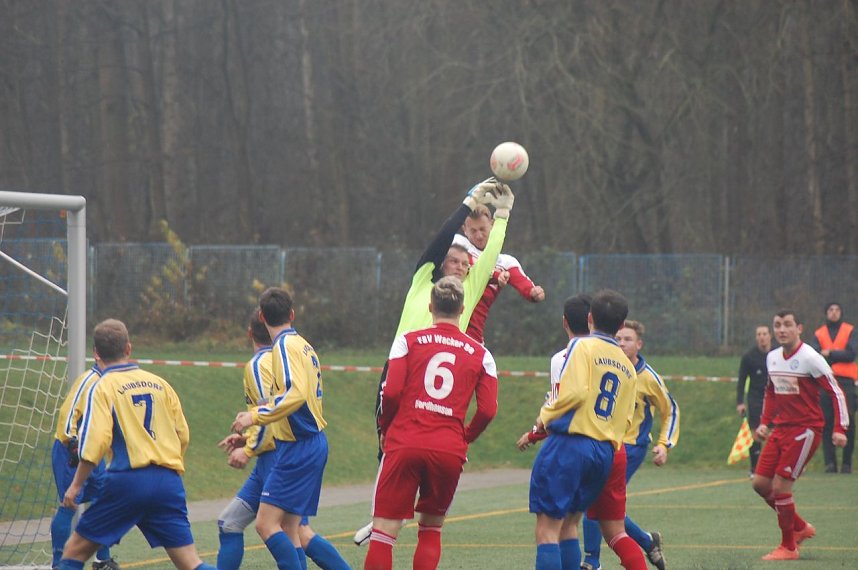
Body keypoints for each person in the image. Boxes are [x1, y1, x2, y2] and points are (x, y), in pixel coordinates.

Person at [355, 178, 514, 546]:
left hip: (432, 375)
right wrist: (467, 201)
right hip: (399, 366)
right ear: (441, 264)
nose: (459, 265)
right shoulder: (422, 281)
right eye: (452, 260)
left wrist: (503, 216)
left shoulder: (468, 290)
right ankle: (382, 512)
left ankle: (393, 516)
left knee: (417, 443)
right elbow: (438, 242)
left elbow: (488, 255)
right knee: (388, 439)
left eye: (464, 261)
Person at [56, 319, 215, 570]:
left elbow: (95, 443)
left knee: (74, 552)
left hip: (127, 481)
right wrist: (168, 466)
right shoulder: (160, 384)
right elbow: (182, 434)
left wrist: (75, 485)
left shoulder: (103, 386)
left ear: (96, 353)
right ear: (128, 348)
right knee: (191, 563)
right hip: (168, 481)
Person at [364, 276, 498, 570]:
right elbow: (488, 410)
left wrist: (385, 429)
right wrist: (465, 437)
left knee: (384, 530)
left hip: (405, 442)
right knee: (431, 529)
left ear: (430, 307)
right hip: (448, 449)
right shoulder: (482, 355)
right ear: (463, 309)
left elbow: (392, 391)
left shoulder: (407, 341)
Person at [217, 310, 348, 570]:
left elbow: (274, 409)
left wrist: (249, 448)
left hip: (278, 458)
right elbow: (275, 412)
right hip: (281, 452)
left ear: (251, 332)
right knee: (286, 529)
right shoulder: (289, 352)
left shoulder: (259, 364)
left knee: (284, 528)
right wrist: (249, 440)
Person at [528, 289, 642, 570]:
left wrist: (545, 415)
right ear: (620, 327)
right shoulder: (628, 366)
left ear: (590, 318)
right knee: (569, 525)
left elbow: (575, 392)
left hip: (571, 444)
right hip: (604, 452)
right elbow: (627, 418)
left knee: (547, 531)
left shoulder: (582, 346)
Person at [580, 320, 680, 570]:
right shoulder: (608, 366)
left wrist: (664, 444)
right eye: (619, 338)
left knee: (595, 499)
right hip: (606, 444)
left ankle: (591, 560)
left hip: (631, 447)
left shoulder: (648, 377)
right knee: (605, 506)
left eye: (627, 339)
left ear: (639, 344)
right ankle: (647, 542)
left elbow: (671, 409)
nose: (622, 343)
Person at [752, 309, 850, 561]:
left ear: (799, 328)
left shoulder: (811, 358)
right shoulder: (772, 357)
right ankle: (799, 526)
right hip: (780, 429)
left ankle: (789, 547)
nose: (782, 330)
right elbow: (771, 392)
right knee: (760, 484)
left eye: (787, 325)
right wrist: (764, 423)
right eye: (777, 325)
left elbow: (836, 391)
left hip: (805, 430)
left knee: (781, 487)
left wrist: (840, 428)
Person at [50, 362, 119, 570]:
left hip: (95, 452)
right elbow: (68, 412)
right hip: (72, 450)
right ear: (98, 355)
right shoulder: (89, 379)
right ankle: (59, 564)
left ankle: (102, 560)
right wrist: (72, 442)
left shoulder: (113, 382)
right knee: (70, 502)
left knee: (102, 500)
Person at [453, 204, 545, 344]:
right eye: (473, 230)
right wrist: (495, 276)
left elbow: (526, 287)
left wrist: (535, 293)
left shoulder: (506, 263)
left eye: (483, 229)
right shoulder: (459, 246)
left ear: (492, 225)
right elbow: (470, 271)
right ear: (464, 229)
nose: (479, 235)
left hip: (474, 339)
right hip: (448, 332)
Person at [516, 293, 592, 451]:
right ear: (592, 321)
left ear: (565, 322)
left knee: (541, 475)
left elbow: (560, 408)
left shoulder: (560, 359)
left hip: (571, 444)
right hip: (608, 445)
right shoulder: (610, 355)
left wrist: (534, 434)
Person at [808, 302, 857, 473]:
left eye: (837, 310)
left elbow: (851, 354)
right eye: (830, 310)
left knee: (847, 420)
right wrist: (838, 355)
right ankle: (830, 463)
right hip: (826, 381)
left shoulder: (850, 330)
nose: (834, 313)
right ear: (826, 313)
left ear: (841, 313)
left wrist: (829, 354)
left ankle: (846, 463)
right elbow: (814, 355)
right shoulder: (819, 333)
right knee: (826, 421)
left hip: (846, 382)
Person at [736, 325, 773, 475]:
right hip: (756, 398)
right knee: (756, 433)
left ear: (770, 335)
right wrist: (740, 402)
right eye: (759, 334)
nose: (762, 337)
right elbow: (741, 380)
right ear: (756, 337)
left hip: (776, 399)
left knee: (776, 433)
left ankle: (776, 467)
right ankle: (755, 469)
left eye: (764, 333)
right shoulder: (749, 357)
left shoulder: (778, 354)